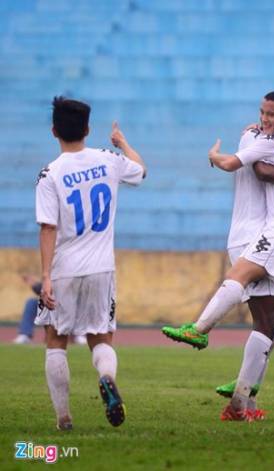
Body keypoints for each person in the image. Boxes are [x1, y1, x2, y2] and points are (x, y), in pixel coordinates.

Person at [162, 91, 274, 421]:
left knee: (248, 294)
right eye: (262, 113)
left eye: (271, 115)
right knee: (270, 320)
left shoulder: (257, 138)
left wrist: (214, 155)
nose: (264, 120)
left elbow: (247, 166)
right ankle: (244, 398)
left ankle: (200, 329)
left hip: (263, 234)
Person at [35, 97, 146, 430]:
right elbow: (141, 170)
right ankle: (106, 377)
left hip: (65, 268)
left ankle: (64, 418)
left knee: (56, 340)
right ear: (87, 128)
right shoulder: (108, 159)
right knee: (101, 338)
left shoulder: (49, 175)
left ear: (54, 130)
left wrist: (45, 277)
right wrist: (122, 142)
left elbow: (48, 227)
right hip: (102, 268)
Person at [13, 275, 86, 345]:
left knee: (77, 303)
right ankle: (25, 334)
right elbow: (45, 290)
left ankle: (79, 335)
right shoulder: (49, 271)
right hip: (52, 303)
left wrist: (34, 284)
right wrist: (36, 286)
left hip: (67, 303)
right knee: (32, 302)